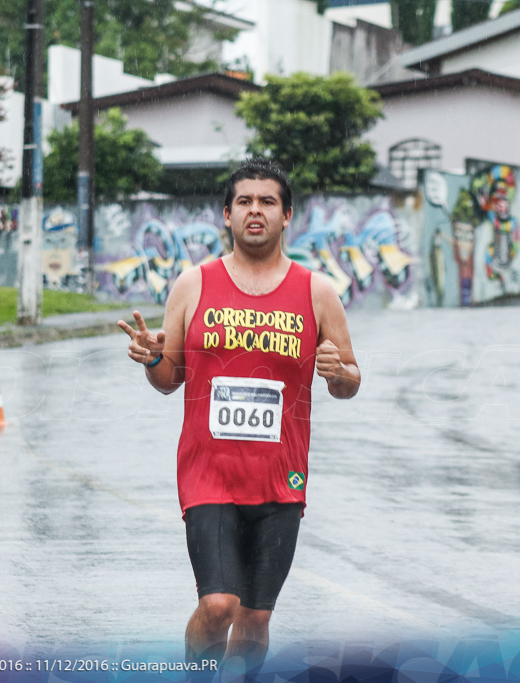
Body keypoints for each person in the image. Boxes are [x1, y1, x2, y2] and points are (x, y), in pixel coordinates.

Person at [118, 159, 361, 672]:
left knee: (253, 619)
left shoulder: (317, 293)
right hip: (209, 475)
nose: (256, 211)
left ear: (286, 215)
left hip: (281, 480)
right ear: (226, 215)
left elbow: (349, 383)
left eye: (268, 201)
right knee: (219, 605)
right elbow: (169, 380)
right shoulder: (193, 284)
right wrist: (152, 358)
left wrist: (338, 371)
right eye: (244, 202)